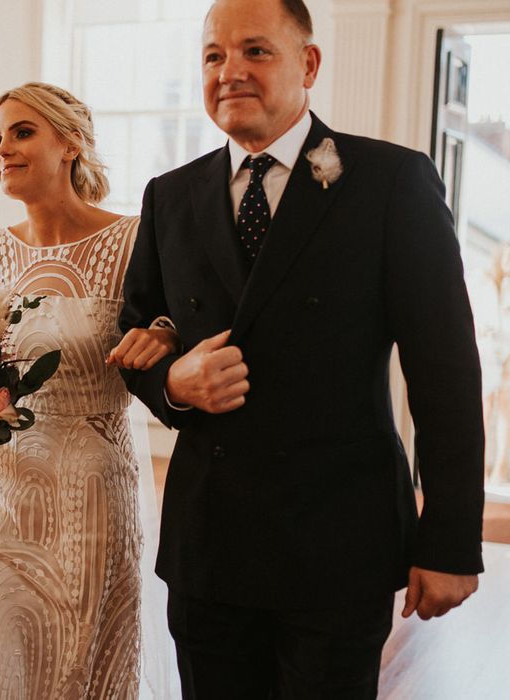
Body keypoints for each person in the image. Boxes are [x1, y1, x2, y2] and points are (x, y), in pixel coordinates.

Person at [116, 0, 485, 697]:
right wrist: (173, 383)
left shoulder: (388, 182)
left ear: (308, 64)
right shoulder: (171, 195)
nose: (231, 72)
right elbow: (134, 332)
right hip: (210, 543)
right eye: (214, 56)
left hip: (338, 545)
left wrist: (450, 541)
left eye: (256, 51)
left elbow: (446, 373)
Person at [0, 82, 180, 699]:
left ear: (70, 143)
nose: (3, 150)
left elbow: (174, 324)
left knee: (84, 663)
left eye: (22, 133)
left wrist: (166, 334)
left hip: (92, 493)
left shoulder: (130, 239)